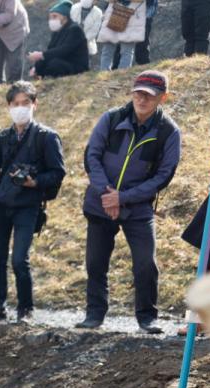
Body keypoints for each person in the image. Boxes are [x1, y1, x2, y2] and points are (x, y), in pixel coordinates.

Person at [79, 70, 181, 333]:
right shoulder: (111, 118)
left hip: (138, 208)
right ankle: (94, 314)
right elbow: (92, 156)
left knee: (146, 262)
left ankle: (147, 317)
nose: (142, 99)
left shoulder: (168, 132)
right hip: (100, 202)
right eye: (138, 93)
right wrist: (107, 194)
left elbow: (162, 177)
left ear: (162, 98)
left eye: (149, 95)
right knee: (95, 262)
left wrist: (122, 198)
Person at [0, 81, 66, 323]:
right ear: (9, 106)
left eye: (26, 103)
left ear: (35, 104)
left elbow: (57, 172)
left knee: (19, 259)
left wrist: (35, 182)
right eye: (16, 104)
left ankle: (26, 308)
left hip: (28, 204)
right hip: (2, 203)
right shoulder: (3, 137)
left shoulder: (46, 137)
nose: (21, 108)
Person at [29, 1, 91, 76]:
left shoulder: (75, 29)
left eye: (55, 16)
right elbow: (50, 50)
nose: (51, 20)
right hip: (62, 61)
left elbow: (64, 50)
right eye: (50, 17)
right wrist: (37, 65)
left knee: (54, 64)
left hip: (76, 65)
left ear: (65, 17)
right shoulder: (57, 31)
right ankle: (38, 74)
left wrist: (41, 54)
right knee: (40, 62)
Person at [98, 0, 147, 70]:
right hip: (115, 14)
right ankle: (104, 73)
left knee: (126, 50)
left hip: (131, 16)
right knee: (108, 49)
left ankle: (123, 73)